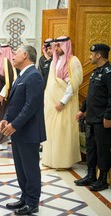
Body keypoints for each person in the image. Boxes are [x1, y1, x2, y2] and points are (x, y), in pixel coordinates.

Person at [0, 45, 46, 215]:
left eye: (16, 53)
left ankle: (33, 202)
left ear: (25, 55)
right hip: (19, 131)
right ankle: (25, 198)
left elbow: (30, 106)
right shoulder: (21, 75)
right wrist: (6, 119)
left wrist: (14, 125)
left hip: (29, 131)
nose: (13, 55)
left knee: (30, 168)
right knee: (21, 168)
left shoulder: (34, 76)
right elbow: (15, 103)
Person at [42, 36, 83, 169]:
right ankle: (51, 160)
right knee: (52, 132)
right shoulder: (55, 60)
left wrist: (62, 102)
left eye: (59, 46)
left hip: (64, 105)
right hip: (52, 105)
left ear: (66, 46)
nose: (57, 48)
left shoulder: (73, 61)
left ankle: (63, 162)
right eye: (56, 46)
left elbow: (73, 85)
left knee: (62, 133)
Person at [74, 44, 111, 191]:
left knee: (103, 149)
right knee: (91, 149)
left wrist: (108, 116)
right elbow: (91, 95)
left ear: (98, 55)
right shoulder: (96, 72)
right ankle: (91, 175)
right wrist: (82, 110)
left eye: (92, 54)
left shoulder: (109, 73)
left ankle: (102, 179)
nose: (90, 57)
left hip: (102, 119)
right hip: (91, 118)